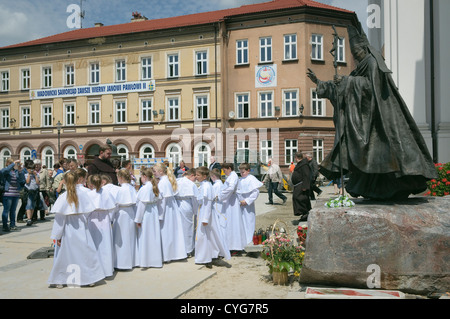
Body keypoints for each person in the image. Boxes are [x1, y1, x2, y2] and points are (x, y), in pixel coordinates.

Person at [307, 24, 437, 200]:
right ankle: (377, 191)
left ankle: (395, 186)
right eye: (353, 54)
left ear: (365, 48)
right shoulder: (363, 65)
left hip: (380, 118)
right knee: (372, 157)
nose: (356, 56)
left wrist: (347, 81)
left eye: (357, 53)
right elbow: (345, 88)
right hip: (371, 120)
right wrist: (321, 83)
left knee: (383, 154)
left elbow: (370, 88)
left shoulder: (372, 62)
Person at [48, 170, 105, 288]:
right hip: (81, 226)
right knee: (85, 252)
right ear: (77, 180)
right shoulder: (83, 194)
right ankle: (90, 278)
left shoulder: (63, 197)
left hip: (68, 229)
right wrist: (82, 217)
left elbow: (59, 220)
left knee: (64, 254)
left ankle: (61, 279)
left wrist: (57, 236)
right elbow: (88, 210)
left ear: (64, 182)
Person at [152, 163, 187, 262]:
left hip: (166, 210)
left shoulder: (163, 182)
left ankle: (167, 255)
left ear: (161, 171)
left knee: (166, 232)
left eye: (155, 171)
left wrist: (160, 215)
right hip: (170, 209)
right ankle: (172, 254)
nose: (153, 173)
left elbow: (163, 200)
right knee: (171, 231)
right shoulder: (165, 181)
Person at [86, 172, 116, 278]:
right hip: (104, 218)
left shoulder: (89, 194)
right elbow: (112, 208)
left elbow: (86, 209)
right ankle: (107, 269)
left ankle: (96, 269)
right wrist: (110, 219)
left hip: (93, 219)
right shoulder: (106, 193)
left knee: (95, 244)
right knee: (106, 244)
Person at [134, 168, 163, 268]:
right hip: (153, 212)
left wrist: (138, 219)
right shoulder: (154, 186)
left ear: (144, 177)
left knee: (145, 237)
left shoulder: (145, 188)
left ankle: (146, 261)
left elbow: (142, 205)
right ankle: (155, 260)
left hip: (146, 214)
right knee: (153, 236)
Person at [112, 169, 138, 270]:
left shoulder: (121, 189)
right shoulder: (131, 188)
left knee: (121, 237)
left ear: (121, 178)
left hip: (122, 214)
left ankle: (122, 263)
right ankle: (132, 261)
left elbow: (116, 203)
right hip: (131, 212)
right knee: (130, 237)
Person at [219, 163, 246, 254]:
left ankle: (235, 246)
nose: (224, 172)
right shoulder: (231, 176)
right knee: (230, 223)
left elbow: (231, 188)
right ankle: (230, 245)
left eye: (225, 170)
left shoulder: (233, 176)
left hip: (232, 202)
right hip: (230, 201)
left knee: (233, 223)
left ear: (229, 168)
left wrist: (221, 195)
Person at [237, 163, 263, 245]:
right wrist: (240, 200)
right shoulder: (240, 180)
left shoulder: (251, 179)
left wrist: (247, 201)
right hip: (241, 204)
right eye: (240, 172)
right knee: (242, 222)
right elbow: (238, 192)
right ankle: (242, 241)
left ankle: (249, 240)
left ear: (248, 171)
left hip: (248, 205)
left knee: (249, 222)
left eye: (243, 172)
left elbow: (255, 192)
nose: (241, 174)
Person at [175, 168, 199, 257]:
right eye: (195, 178)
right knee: (187, 227)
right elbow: (195, 199)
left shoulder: (177, 181)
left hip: (177, 204)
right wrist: (196, 212)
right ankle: (188, 249)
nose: (195, 180)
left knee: (178, 227)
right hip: (186, 204)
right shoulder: (191, 184)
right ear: (191, 175)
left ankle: (179, 249)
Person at [1, 159, 25, 232]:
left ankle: (12, 225)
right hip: (7, 193)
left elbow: (22, 180)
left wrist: (20, 171)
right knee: (6, 210)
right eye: (12, 164)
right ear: (8, 163)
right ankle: (5, 226)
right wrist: (14, 163)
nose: (15, 165)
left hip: (16, 193)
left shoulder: (16, 172)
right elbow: (4, 171)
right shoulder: (5, 171)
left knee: (13, 210)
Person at [291, 152, 311, 224]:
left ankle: (305, 213)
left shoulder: (304, 165)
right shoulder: (301, 164)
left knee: (299, 198)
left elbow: (306, 175)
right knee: (299, 198)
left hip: (302, 185)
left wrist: (305, 186)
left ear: (296, 157)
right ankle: (304, 213)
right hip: (298, 185)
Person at [210, 168, 226, 246]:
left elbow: (213, 196)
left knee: (218, 223)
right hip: (219, 204)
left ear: (213, 176)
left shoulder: (216, 185)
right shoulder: (220, 183)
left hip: (217, 204)